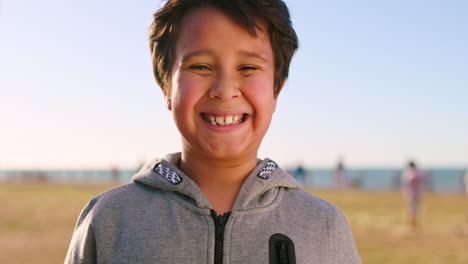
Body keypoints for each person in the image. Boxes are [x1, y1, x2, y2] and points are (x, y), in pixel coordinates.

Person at [65, 1, 360, 263]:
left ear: (276, 90)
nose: (224, 90)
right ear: (166, 87)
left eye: (247, 67)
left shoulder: (324, 226)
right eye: (202, 66)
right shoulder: (109, 219)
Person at [401, 160, 425, 231]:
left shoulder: (409, 172)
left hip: (413, 193)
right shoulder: (416, 172)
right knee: (413, 209)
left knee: (414, 209)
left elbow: (408, 180)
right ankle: (413, 224)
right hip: (414, 193)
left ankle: (413, 224)